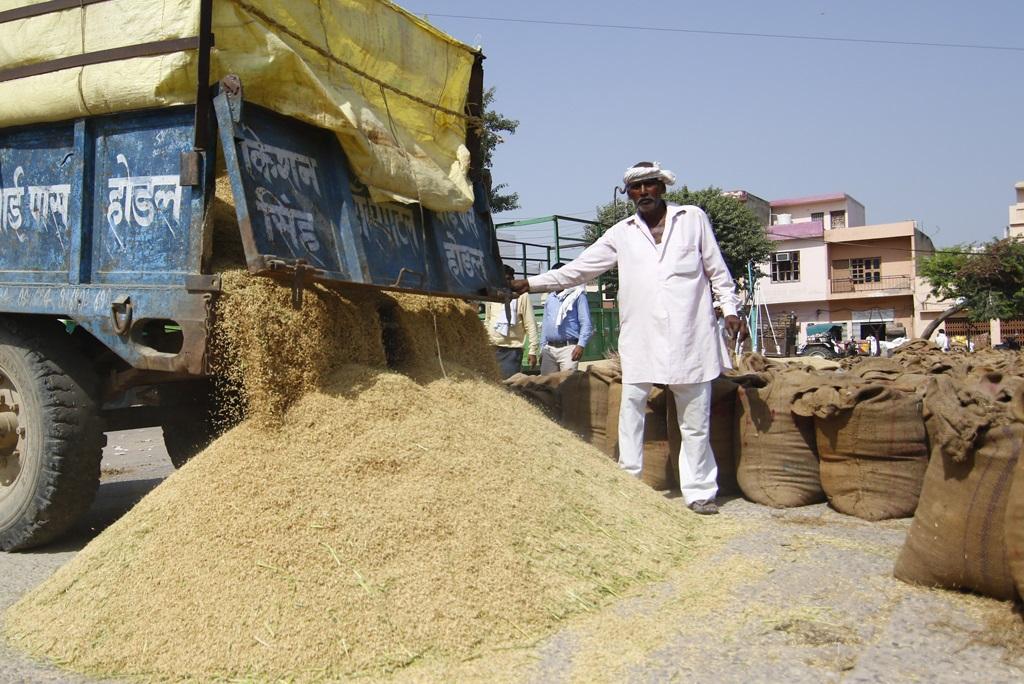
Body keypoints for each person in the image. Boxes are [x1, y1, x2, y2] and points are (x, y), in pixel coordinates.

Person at [510, 161, 742, 515]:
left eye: (650, 185)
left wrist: (730, 310)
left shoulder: (692, 219)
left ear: (662, 188)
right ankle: (629, 482)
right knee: (632, 407)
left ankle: (698, 492)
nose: (643, 192)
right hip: (642, 337)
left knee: (694, 420)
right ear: (628, 193)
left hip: (690, 336)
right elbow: (581, 268)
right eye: (636, 187)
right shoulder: (622, 233)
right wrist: (532, 283)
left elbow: (717, 272)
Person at [485, 265, 539, 379]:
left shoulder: (522, 296)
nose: (504, 283)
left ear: (512, 280)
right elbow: (488, 320)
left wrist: (533, 350)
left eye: (508, 279)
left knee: (510, 386)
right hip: (492, 348)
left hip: (512, 351)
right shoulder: (492, 295)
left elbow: (530, 324)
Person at [539, 262, 593, 373]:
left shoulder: (577, 295)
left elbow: (586, 323)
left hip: (569, 349)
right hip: (549, 349)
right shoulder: (550, 298)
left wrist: (580, 345)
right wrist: (543, 348)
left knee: (568, 385)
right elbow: (545, 324)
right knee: (547, 386)